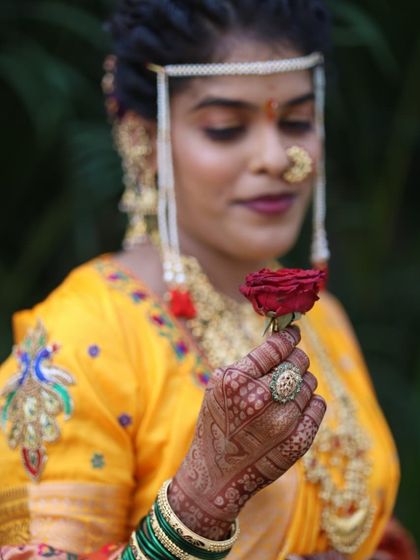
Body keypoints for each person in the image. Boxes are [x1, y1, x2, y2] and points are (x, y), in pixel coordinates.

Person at [0, 1, 414, 559]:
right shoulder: (76, 338)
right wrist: (200, 504)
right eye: (225, 129)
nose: (277, 158)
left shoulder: (324, 321)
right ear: (145, 138)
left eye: (295, 121)